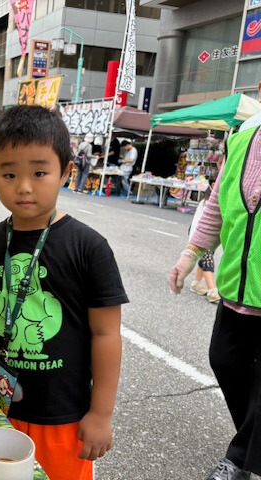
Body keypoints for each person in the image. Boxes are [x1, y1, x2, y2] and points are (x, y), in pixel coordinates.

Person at [0, 105, 128, 480]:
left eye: (39, 172)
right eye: (9, 173)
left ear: (65, 172)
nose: (24, 186)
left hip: (62, 417)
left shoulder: (89, 247)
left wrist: (100, 414)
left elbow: (107, 333)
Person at [169, 86, 261, 480]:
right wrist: (190, 254)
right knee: (225, 361)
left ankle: (241, 459)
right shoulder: (242, 138)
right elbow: (216, 207)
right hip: (237, 286)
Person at [188, 185, 220, 304]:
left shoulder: (210, 200)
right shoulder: (208, 202)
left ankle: (196, 283)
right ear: (213, 185)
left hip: (210, 237)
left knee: (205, 258)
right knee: (208, 261)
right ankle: (212, 290)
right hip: (201, 237)